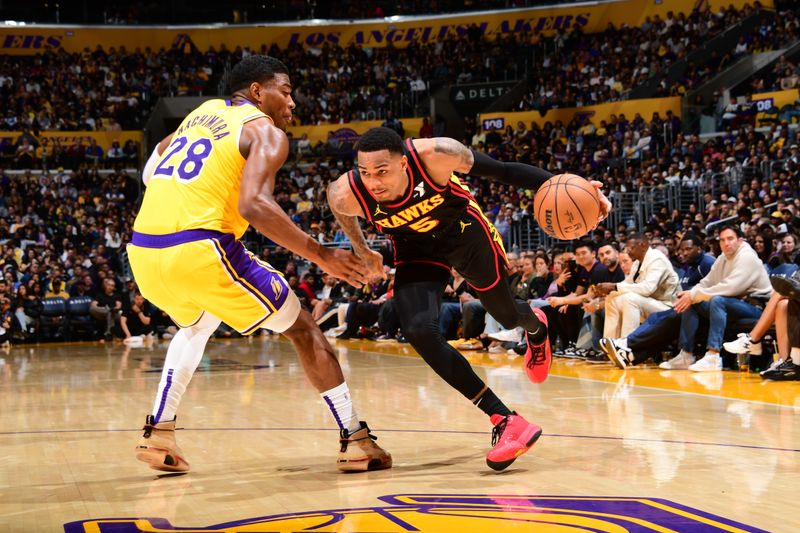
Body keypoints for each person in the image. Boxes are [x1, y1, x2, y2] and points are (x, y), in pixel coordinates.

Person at [127, 56, 391, 474]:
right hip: (202, 247)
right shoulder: (264, 131)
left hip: (143, 252)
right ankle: (356, 440)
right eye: (284, 92)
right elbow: (253, 205)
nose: (292, 102)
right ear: (256, 92)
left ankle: (159, 432)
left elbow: (150, 172)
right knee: (304, 328)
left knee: (197, 325)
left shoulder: (201, 114)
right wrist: (323, 254)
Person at [327, 126, 610, 470]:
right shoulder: (347, 192)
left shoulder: (436, 155)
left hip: (465, 233)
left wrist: (582, 191)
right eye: (366, 172)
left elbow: (503, 170)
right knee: (418, 329)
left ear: (404, 163)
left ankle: (534, 326)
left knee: (504, 314)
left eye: (382, 171)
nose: (374, 182)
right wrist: (363, 249)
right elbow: (338, 205)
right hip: (416, 249)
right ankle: (505, 420)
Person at [665, 225, 772, 372]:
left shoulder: (747, 256)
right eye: (722, 240)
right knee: (691, 302)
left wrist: (695, 294)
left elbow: (731, 287)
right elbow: (707, 281)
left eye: (730, 239)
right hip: (735, 304)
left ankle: (713, 356)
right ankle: (686, 354)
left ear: (740, 240)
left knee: (717, 299)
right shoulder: (723, 257)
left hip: (757, 307)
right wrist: (691, 294)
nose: (726, 243)